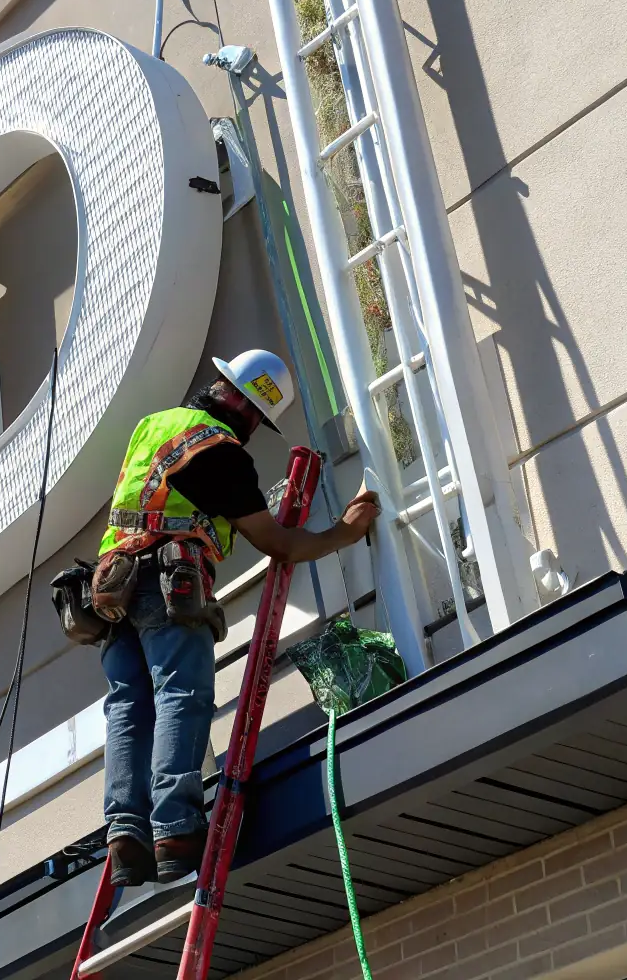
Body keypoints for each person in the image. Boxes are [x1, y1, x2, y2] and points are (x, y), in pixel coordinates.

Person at [94, 349, 380, 886]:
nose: (252, 430)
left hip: (113, 587)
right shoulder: (220, 452)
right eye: (257, 419)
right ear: (249, 412)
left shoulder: (156, 425)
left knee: (128, 706)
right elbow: (277, 543)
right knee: (180, 693)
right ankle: (176, 829)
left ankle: (124, 837)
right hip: (164, 584)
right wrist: (345, 530)